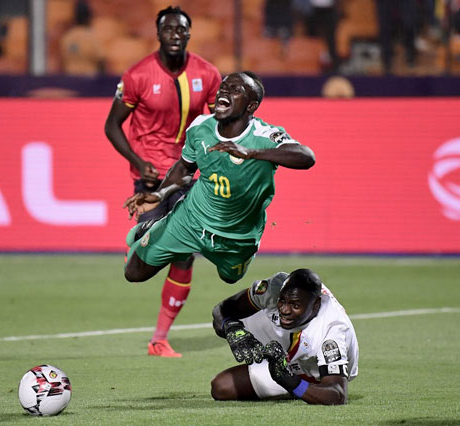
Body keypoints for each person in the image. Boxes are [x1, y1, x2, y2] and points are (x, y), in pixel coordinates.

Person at [123, 71, 315, 287]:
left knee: (230, 278)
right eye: (223, 87)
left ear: (251, 106)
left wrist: (252, 153)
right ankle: (162, 229)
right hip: (191, 220)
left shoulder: (264, 136)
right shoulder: (200, 127)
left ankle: (188, 249)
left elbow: (306, 157)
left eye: (235, 90)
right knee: (134, 273)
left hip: (238, 236)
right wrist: (159, 195)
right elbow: (184, 168)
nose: (224, 91)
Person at [105, 6, 222, 358]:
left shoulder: (207, 74)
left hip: (186, 177)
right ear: (158, 34)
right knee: (140, 265)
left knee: (185, 254)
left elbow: (219, 122)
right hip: (150, 182)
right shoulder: (138, 75)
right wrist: (137, 161)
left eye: (181, 29)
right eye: (168, 29)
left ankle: (160, 338)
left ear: (189, 34)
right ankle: (140, 244)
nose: (175, 34)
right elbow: (112, 125)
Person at [209, 268, 359, 405]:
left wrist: (290, 381)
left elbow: (337, 395)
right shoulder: (275, 287)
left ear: (315, 304)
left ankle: (302, 388)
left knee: (223, 386)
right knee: (220, 387)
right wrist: (232, 330)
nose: (285, 310)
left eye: (295, 305)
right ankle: (277, 360)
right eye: (282, 301)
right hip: (289, 341)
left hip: (314, 372)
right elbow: (220, 310)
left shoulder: (332, 329)